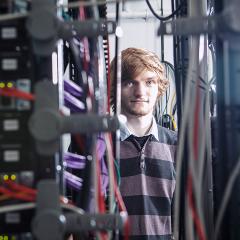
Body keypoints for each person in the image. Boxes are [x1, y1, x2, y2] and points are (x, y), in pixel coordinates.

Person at [110, 47, 178, 240]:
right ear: (114, 88)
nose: (140, 92)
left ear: (159, 88)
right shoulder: (95, 145)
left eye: (149, 82)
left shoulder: (178, 146)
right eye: (130, 82)